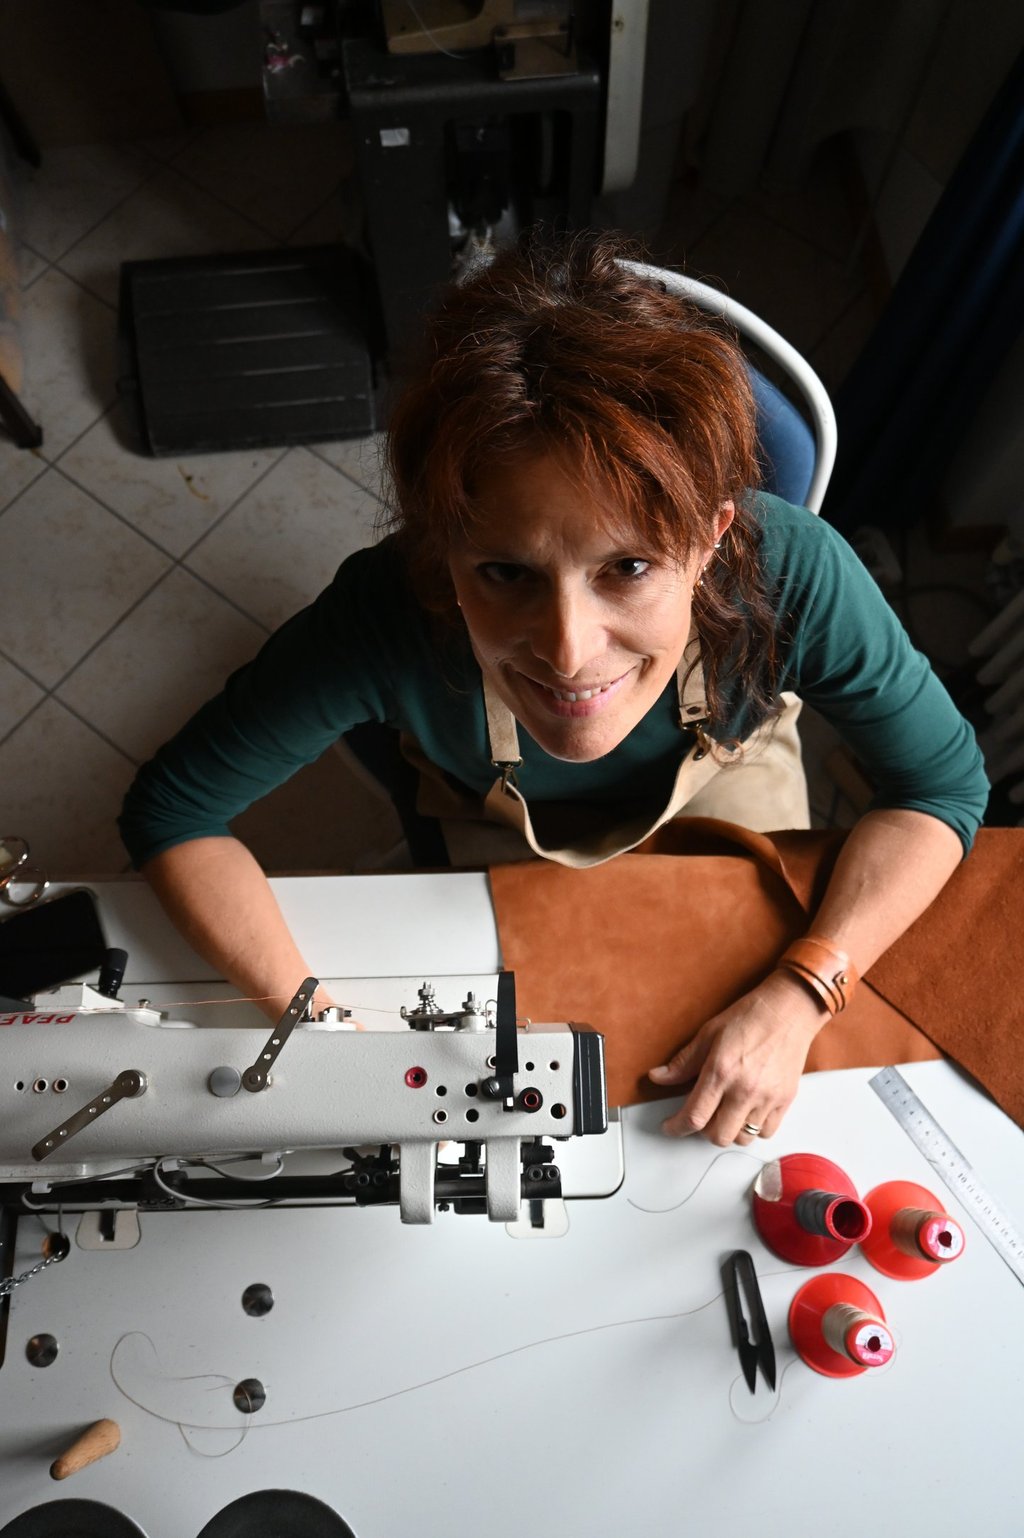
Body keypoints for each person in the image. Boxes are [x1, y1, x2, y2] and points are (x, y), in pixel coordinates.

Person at [119, 231, 988, 1149]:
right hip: (498, 825)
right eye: (504, 573)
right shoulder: (384, 612)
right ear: (439, 550)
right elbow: (172, 812)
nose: (569, 654)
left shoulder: (797, 575)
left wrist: (807, 988)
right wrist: (320, 1029)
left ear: (710, 537)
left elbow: (941, 789)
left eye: (629, 566)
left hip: (732, 794)